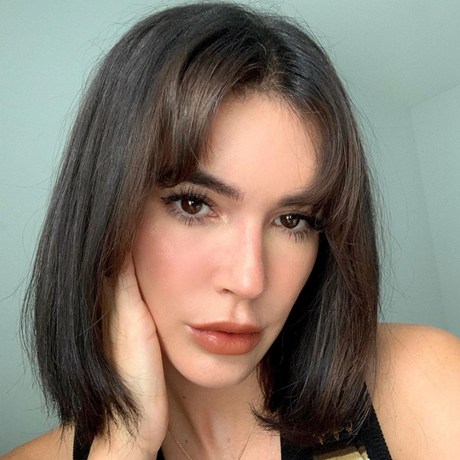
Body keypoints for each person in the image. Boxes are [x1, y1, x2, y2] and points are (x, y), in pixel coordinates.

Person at [5, 2, 460, 459]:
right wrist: (125, 444)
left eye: (293, 220)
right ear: (105, 212)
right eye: (194, 204)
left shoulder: (426, 385)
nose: (248, 280)